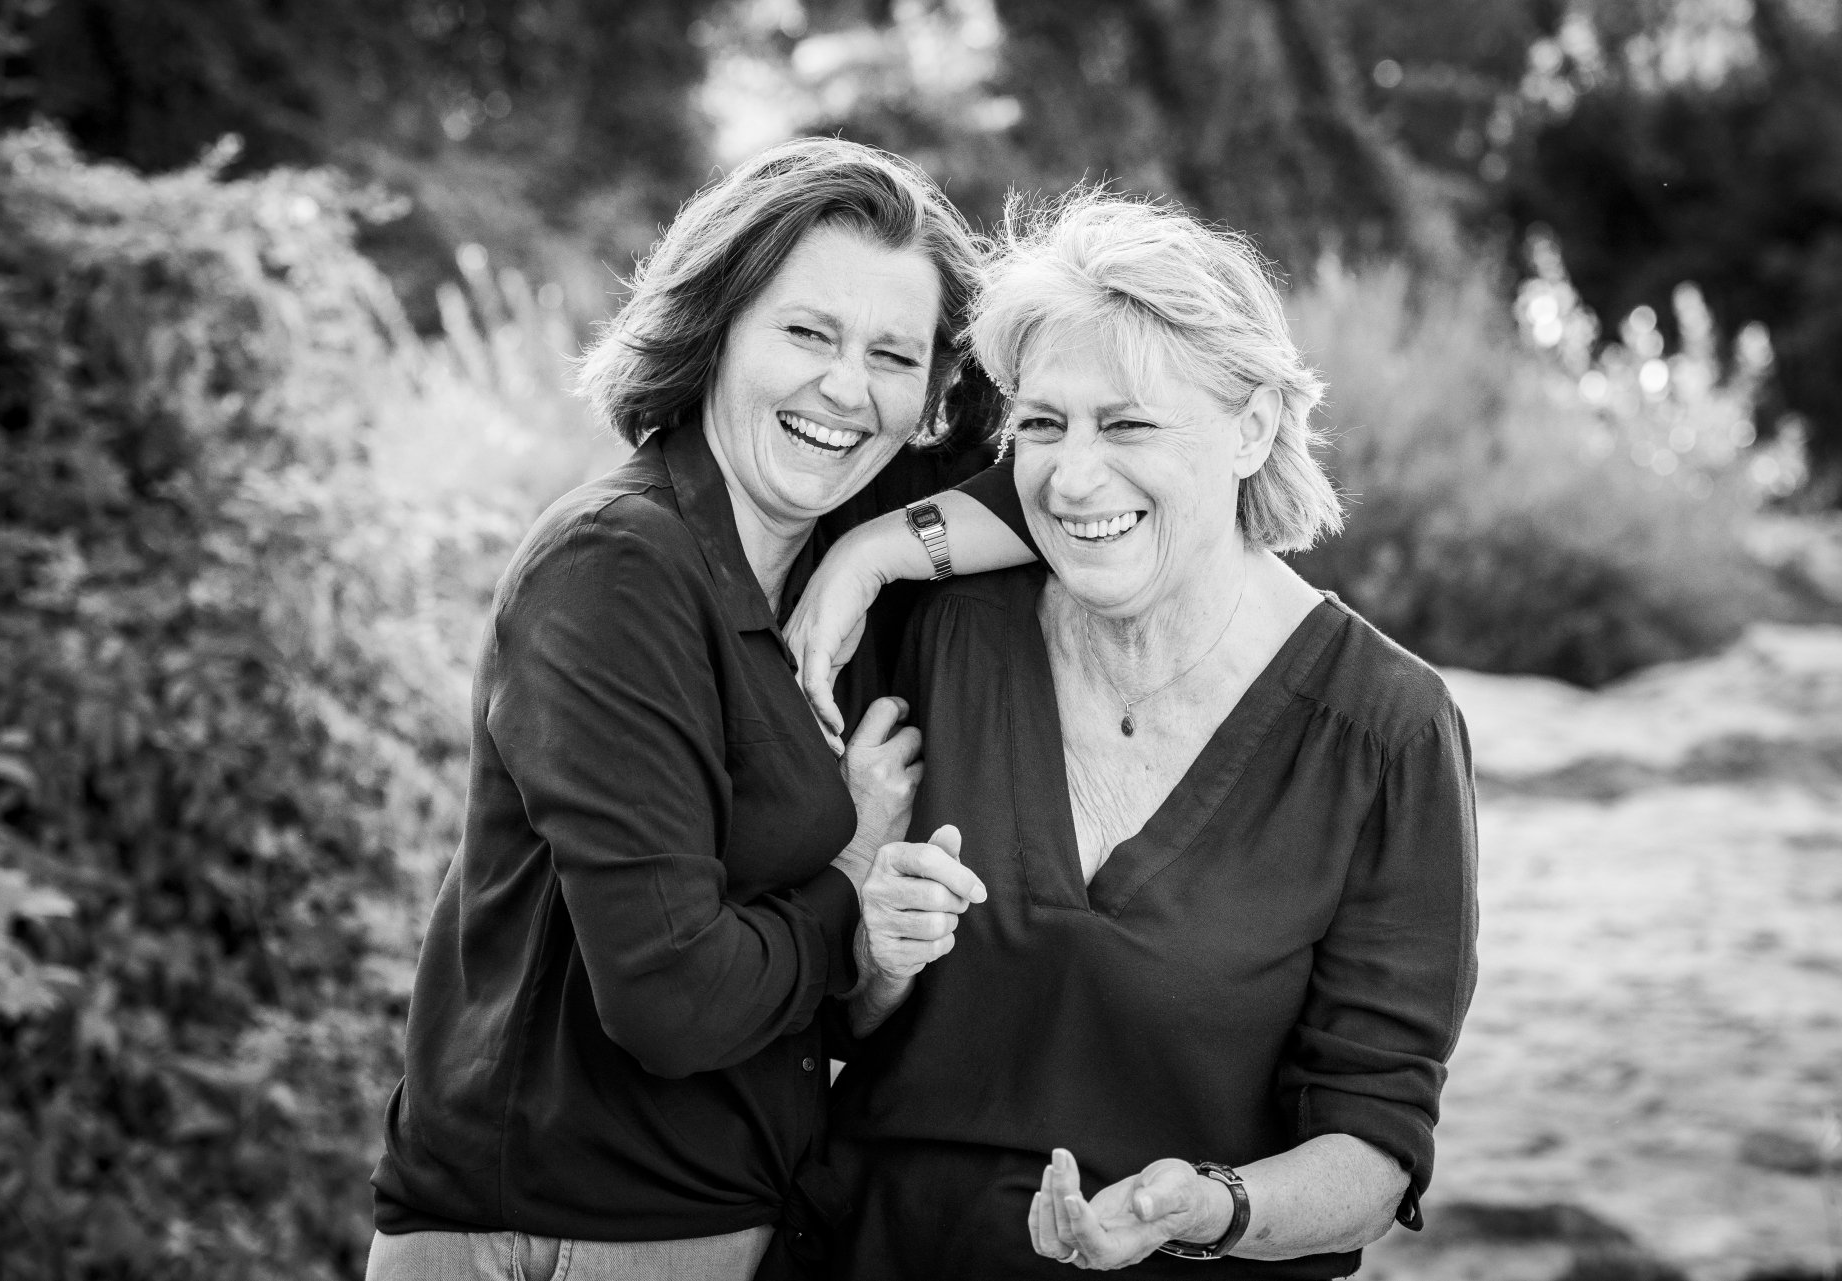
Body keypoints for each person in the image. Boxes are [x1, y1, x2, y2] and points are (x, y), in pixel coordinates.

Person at [366, 138, 1003, 1281]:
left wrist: (869, 551)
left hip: (724, 1221)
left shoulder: (816, 577)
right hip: (560, 1236)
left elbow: (1074, 455)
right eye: (807, 333)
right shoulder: (619, 570)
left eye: (892, 355)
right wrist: (851, 877)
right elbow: (673, 1003)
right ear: (715, 328)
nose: (846, 389)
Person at [815, 191, 1480, 1278]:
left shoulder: (1386, 732)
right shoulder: (944, 638)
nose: (1074, 478)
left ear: (1253, 427)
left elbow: (1376, 1152)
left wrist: (1206, 1207)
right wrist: (873, 954)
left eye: (1127, 425)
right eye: (1042, 425)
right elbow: (836, 1024)